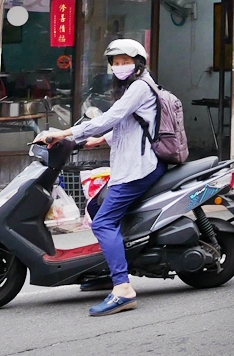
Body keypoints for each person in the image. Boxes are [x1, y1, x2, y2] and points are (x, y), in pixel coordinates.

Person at [35, 40, 167, 317]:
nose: (119, 67)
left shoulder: (141, 86)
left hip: (138, 169)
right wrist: (86, 141)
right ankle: (112, 266)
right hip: (129, 166)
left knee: (105, 221)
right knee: (96, 208)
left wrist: (64, 133)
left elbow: (112, 117)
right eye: (115, 62)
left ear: (139, 62)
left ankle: (123, 289)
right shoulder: (133, 87)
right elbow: (123, 125)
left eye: (125, 61)